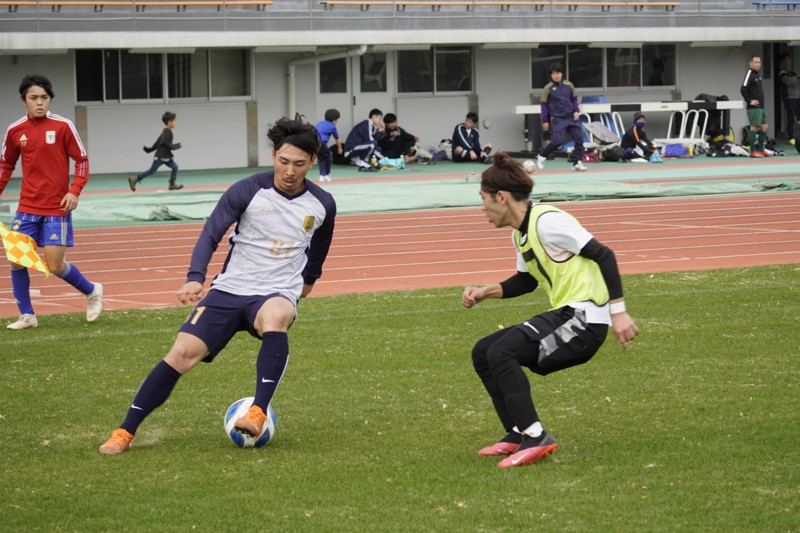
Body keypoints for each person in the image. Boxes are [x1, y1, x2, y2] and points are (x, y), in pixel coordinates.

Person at [99, 117, 336, 455]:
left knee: (276, 318)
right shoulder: (247, 190)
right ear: (273, 156)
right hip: (229, 289)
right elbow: (211, 233)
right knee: (180, 354)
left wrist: (309, 280)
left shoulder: (322, 203)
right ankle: (124, 431)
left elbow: (321, 244)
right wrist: (196, 277)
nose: (289, 171)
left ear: (312, 162)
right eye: (283, 161)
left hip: (275, 291)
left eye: (299, 164)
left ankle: (257, 411)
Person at [462, 152, 639, 468]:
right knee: (484, 351)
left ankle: (536, 436)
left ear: (501, 197)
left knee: (503, 352)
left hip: (583, 319)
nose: (482, 208)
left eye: (483, 199)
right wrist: (486, 292)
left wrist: (619, 312)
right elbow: (525, 281)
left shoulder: (547, 221)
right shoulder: (522, 233)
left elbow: (604, 255)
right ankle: (517, 434)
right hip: (569, 316)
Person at [0, 74, 103, 330]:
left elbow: (81, 160)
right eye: (34, 98)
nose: (40, 102)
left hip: (58, 208)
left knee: (55, 266)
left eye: (44, 98)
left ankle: (92, 291)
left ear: (50, 99)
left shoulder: (63, 126)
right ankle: (28, 316)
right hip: (27, 207)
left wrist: (75, 190)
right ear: (24, 100)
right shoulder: (15, 131)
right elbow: (5, 165)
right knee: (16, 259)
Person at [536, 63, 587, 172]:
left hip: (571, 118)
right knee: (557, 141)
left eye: (558, 73)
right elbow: (544, 105)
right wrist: (545, 120)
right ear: (551, 75)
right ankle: (542, 155)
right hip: (558, 119)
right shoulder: (548, 88)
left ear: (562, 73)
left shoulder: (569, 85)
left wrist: (576, 111)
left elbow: (574, 99)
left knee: (579, 139)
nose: (556, 75)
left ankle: (577, 162)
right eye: (553, 73)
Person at [129, 111, 184, 191]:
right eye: (174, 120)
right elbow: (164, 143)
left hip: (166, 157)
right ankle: (134, 179)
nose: (175, 122)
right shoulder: (168, 132)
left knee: (175, 167)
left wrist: (149, 150)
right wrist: (175, 146)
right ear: (169, 122)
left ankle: (172, 184)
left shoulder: (164, 131)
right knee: (151, 171)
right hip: (160, 157)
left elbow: (158, 143)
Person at [740, 55, 770, 158]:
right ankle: (752, 151)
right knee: (754, 127)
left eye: (759, 62)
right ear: (750, 63)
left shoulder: (757, 74)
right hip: (754, 108)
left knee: (765, 127)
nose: (758, 64)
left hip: (760, 107)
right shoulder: (750, 74)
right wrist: (749, 101)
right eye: (756, 62)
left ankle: (761, 150)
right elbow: (743, 89)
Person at [315, 108, 343, 182]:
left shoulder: (320, 123)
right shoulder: (332, 126)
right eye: (337, 120)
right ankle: (326, 174)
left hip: (315, 142)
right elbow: (337, 139)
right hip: (322, 143)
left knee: (321, 158)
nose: (337, 122)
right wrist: (340, 148)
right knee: (328, 157)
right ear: (334, 120)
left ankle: (322, 175)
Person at [778, 53, 799, 146]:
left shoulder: (794, 71)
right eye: (788, 60)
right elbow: (792, 82)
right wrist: (796, 77)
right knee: (791, 118)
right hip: (789, 98)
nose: (790, 61)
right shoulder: (782, 73)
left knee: (799, 118)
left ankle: (798, 136)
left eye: (790, 60)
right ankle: (791, 137)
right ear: (783, 62)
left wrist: (795, 76)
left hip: (798, 97)